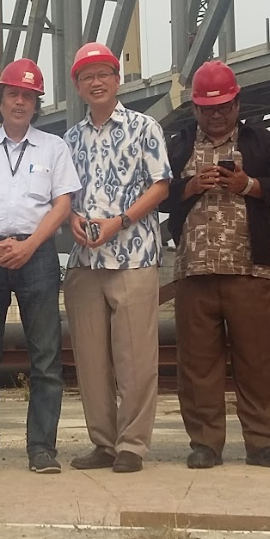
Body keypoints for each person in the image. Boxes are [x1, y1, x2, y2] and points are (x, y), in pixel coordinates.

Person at [160, 61, 270, 469]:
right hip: (194, 271)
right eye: (207, 108)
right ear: (195, 109)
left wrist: (247, 185)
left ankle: (262, 442)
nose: (216, 115)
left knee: (258, 361)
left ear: (237, 104)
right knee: (197, 364)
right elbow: (159, 195)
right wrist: (189, 187)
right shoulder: (178, 145)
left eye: (223, 107)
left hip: (249, 271)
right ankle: (205, 443)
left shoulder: (262, 142)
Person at [0, 59, 79, 475]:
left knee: (45, 358)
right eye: (13, 95)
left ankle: (42, 449)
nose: (20, 102)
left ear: (36, 104)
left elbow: (63, 203)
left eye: (28, 96)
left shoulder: (54, 147)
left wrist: (31, 245)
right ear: (0, 101)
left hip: (37, 255)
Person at [63, 42, 171, 474]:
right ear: (77, 86)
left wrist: (119, 222)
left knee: (135, 359)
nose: (96, 82)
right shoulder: (69, 140)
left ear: (116, 78)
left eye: (103, 74)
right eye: (86, 76)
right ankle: (103, 443)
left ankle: (132, 444)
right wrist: (71, 218)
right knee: (91, 360)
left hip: (134, 255)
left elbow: (160, 185)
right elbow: (61, 196)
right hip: (84, 262)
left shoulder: (145, 128)